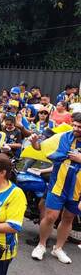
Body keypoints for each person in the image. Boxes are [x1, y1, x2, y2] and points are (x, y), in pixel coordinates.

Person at [30, 112, 81, 264]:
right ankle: (41, 245)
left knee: (68, 218)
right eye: (75, 125)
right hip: (58, 185)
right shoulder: (63, 136)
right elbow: (41, 147)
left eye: (80, 127)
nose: (76, 128)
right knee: (50, 216)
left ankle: (58, 248)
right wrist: (34, 143)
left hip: (77, 189)